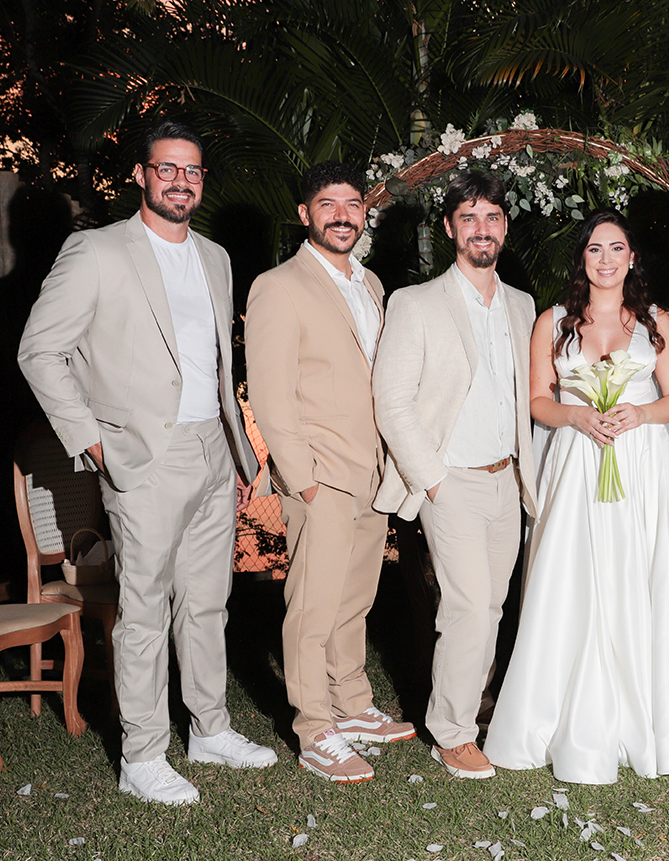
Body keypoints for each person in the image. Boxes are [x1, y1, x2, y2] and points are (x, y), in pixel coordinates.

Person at [17, 119, 276, 805]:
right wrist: (95, 444)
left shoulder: (215, 257)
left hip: (213, 448)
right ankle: (142, 754)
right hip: (142, 456)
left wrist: (238, 453)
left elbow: (216, 366)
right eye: (167, 168)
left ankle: (210, 729)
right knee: (143, 612)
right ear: (141, 174)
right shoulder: (97, 251)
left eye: (192, 170)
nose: (180, 181)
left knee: (207, 604)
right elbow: (39, 351)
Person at [482, 211, 669, 784]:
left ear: (632, 257)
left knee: (643, 574)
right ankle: (564, 715)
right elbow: (538, 401)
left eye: (616, 248)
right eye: (595, 248)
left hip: (641, 464)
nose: (605, 259)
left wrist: (641, 413)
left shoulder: (655, 320)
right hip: (576, 462)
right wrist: (576, 416)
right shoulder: (552, 322)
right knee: (572, 576)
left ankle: (654, 714)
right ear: (582, 258)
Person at [245, 162, 414, 784]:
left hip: (371, 470)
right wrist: (303, 477)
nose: (342, 216)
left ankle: (353, 705)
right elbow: (270, 392)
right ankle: (315, 730)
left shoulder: (370, 283)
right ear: (305, 214)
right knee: (313, 608)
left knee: (354, 600)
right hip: (321, 473)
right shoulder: (278, 286)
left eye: (352, 205)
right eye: (328, 205)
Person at [373, 172, 537, 779]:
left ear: (504, 227)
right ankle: (453, 733)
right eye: (469, 218)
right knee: (467, 607)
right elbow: (391, 401)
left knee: (490, 606)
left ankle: (471, 707)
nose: (481, 229)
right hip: (452, 481)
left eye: (491, 217)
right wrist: (434, 480)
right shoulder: (415, 303)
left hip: (508, 480)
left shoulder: (522, 306)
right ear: (449, 229)